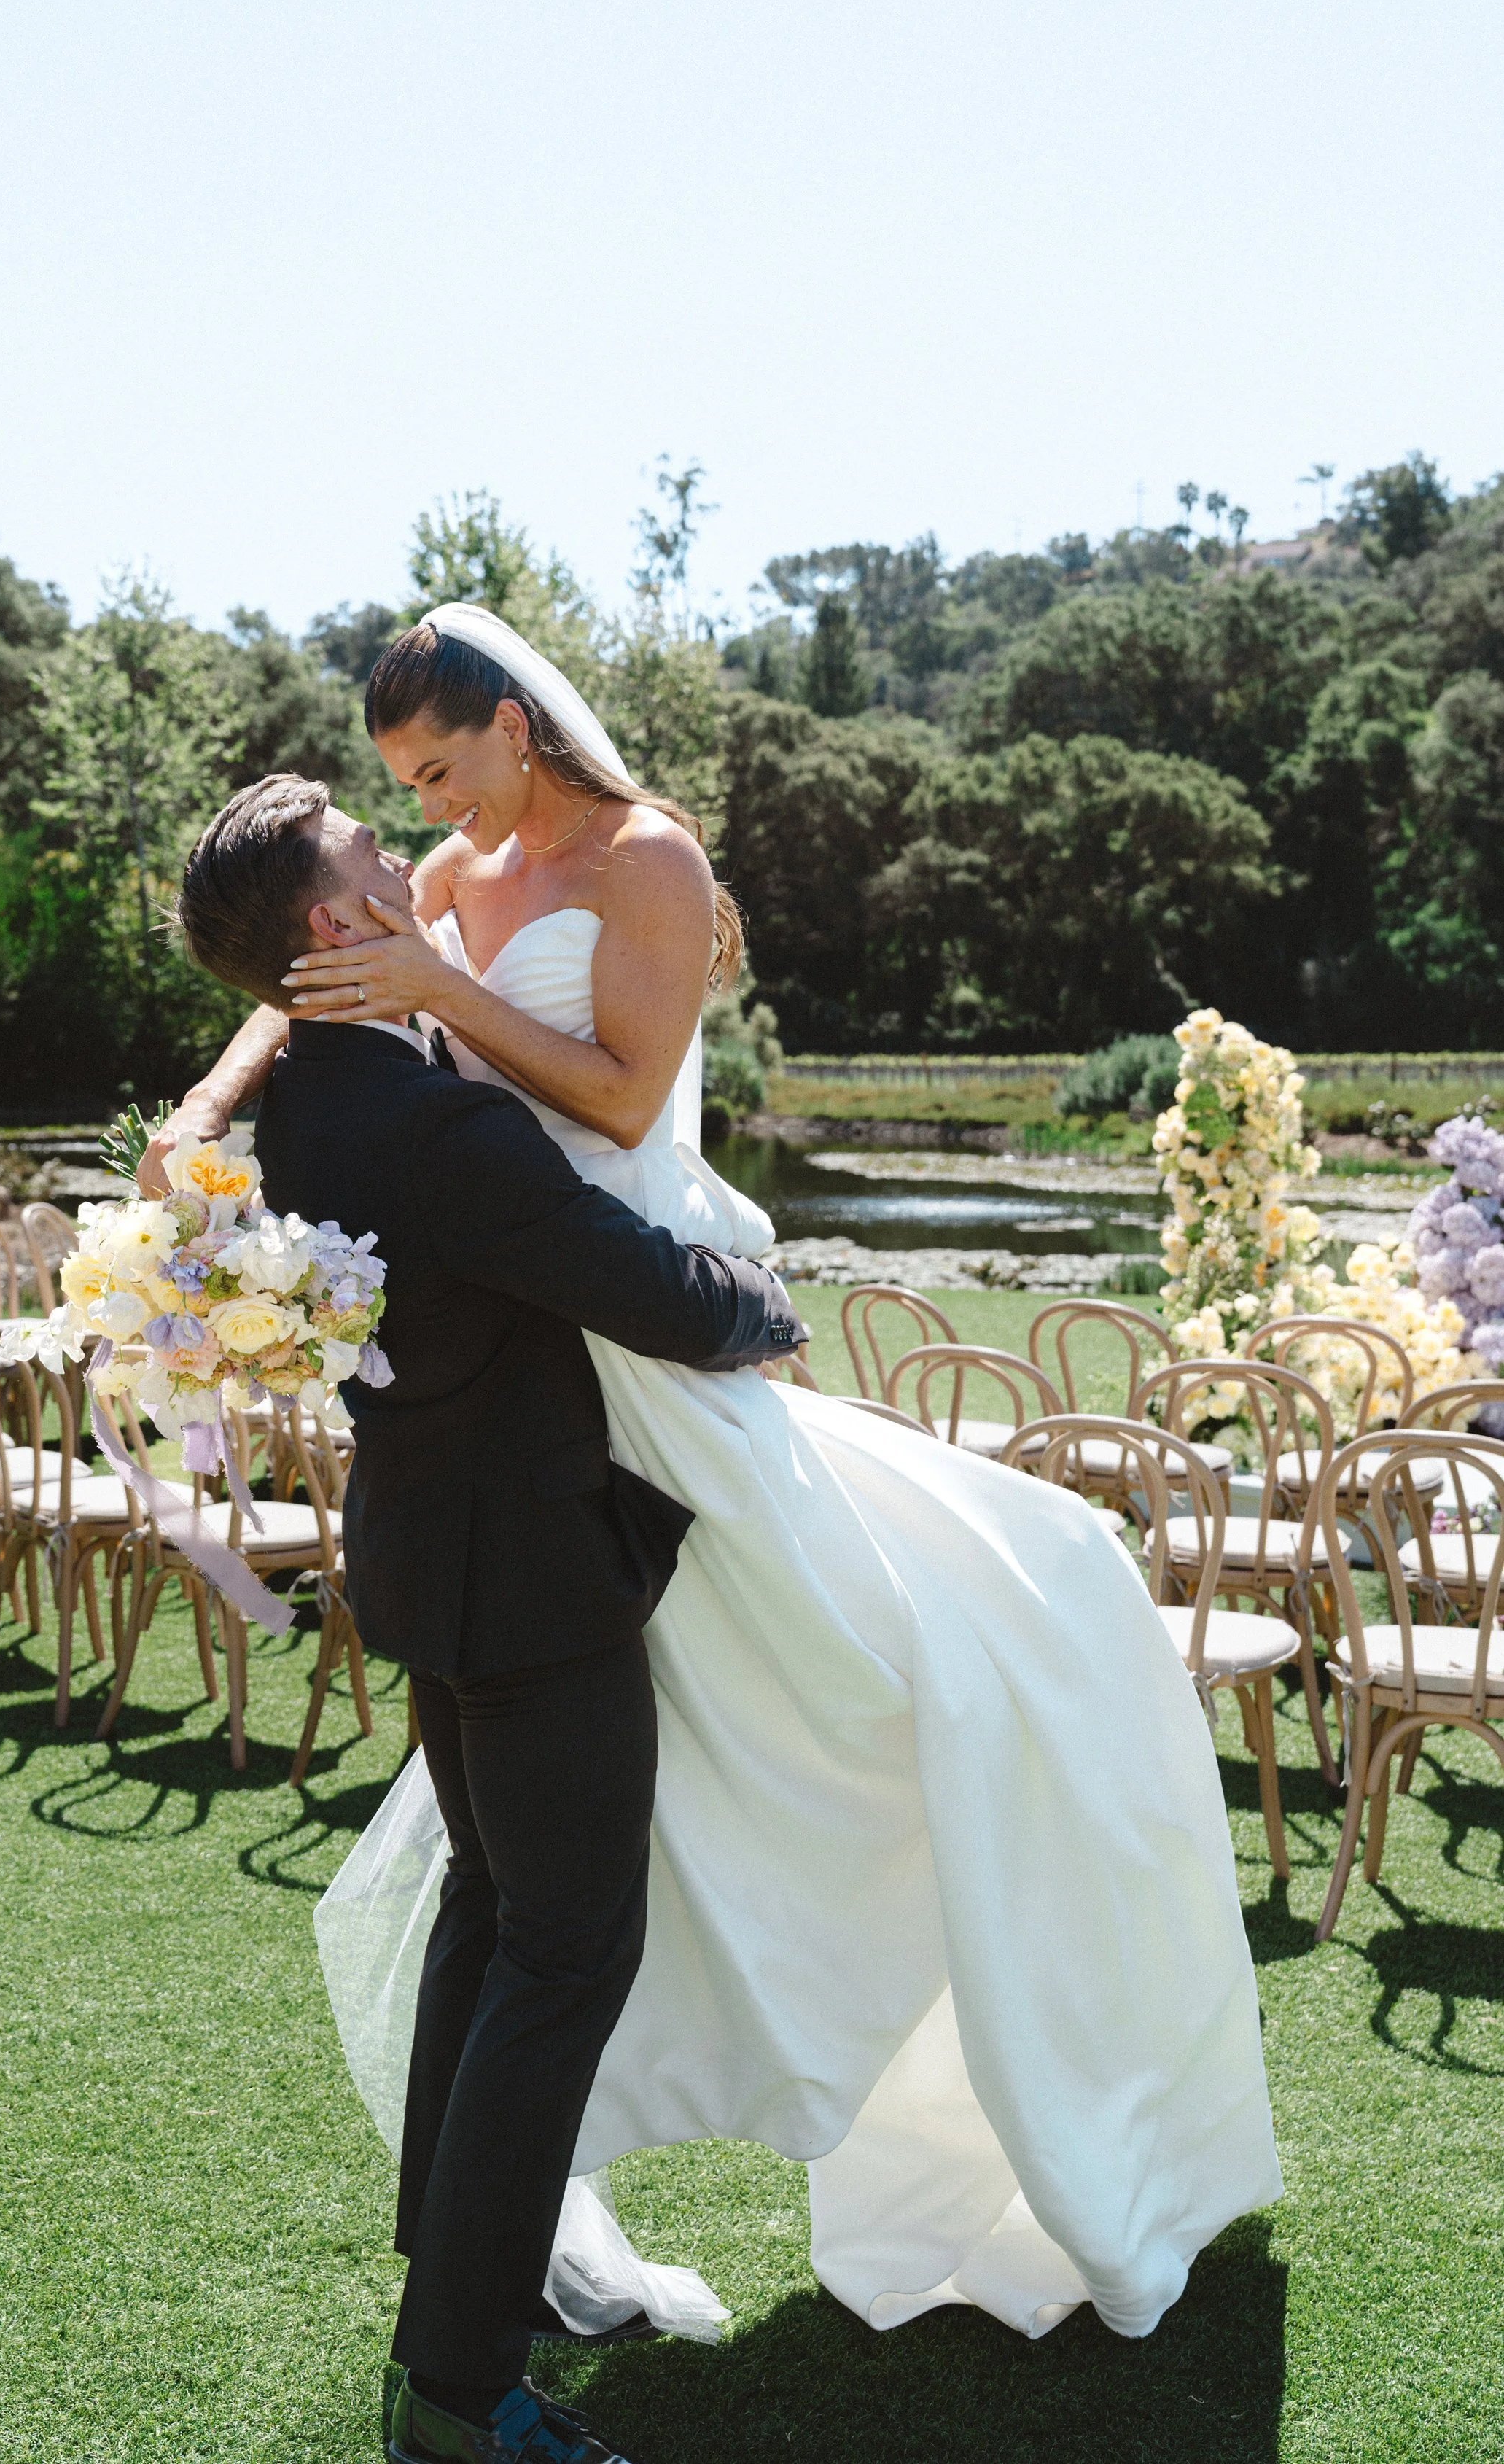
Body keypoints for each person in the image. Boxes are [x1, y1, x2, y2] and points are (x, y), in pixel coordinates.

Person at [155, 605, 1280, 2380]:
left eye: (439, 769)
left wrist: (443, 998)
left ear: (517, 727)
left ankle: (501, 2254)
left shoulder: (633, 865)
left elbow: (618, 1103)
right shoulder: (427, 898)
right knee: (557, 1896)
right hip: (554, 1344)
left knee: (931, 1635)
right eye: (394, 801)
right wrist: (201, 1102)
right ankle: (471, 2318)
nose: (425, 814)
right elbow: (301, 1023)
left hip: (578, 1305)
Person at [176, 774, 803, 2464]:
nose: (405, 857)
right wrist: (765, 1297)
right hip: (524, 1580)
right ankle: (456, 2391)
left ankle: (466, 2274)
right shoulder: (430, 1124)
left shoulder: (304, 1097)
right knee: (565, 1948)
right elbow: (639, 1288)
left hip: (423, 1558)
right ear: (336, 927)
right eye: (371, 857)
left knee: (488, 1909)